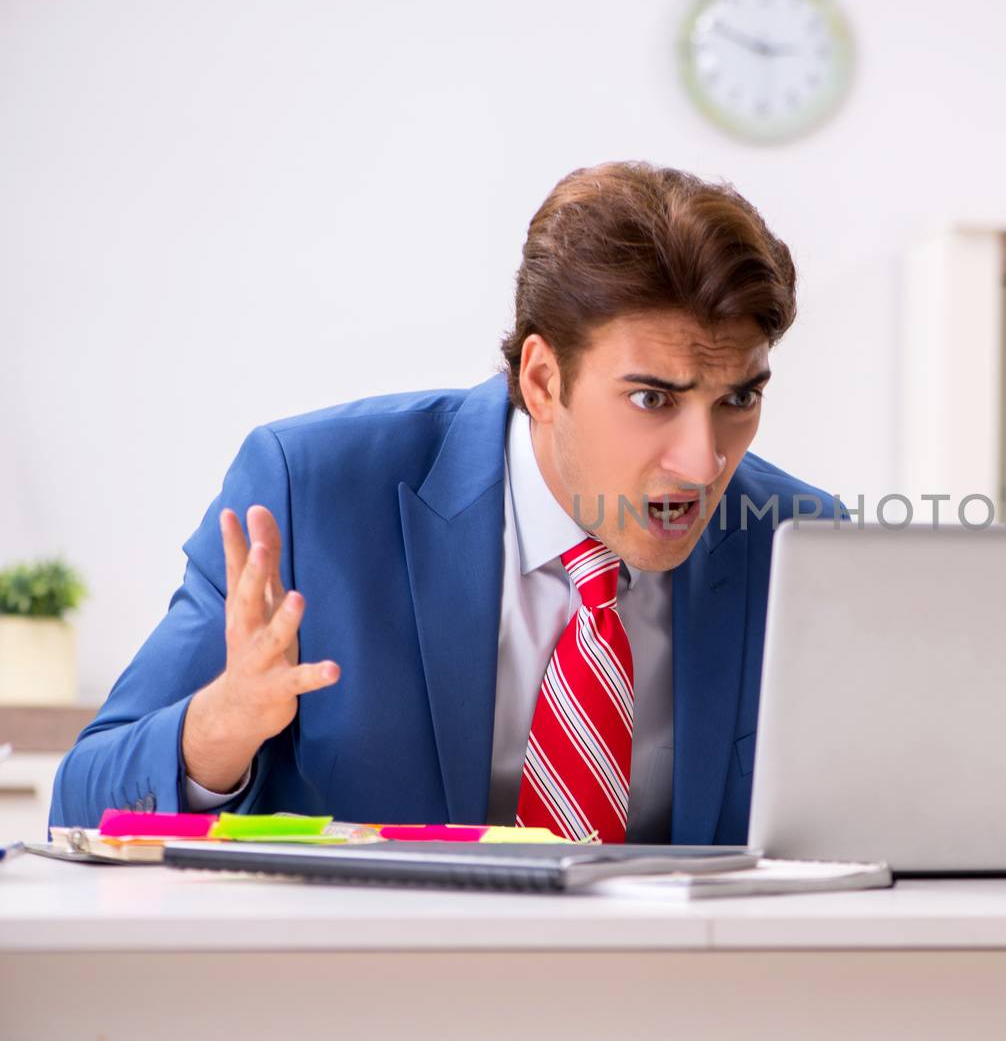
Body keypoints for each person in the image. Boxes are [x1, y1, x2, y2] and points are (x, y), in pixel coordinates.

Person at [49, 161, 837, 845]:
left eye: (738, 398)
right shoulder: (312, 492)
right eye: (652, 399)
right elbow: (81, 802)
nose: (704, 462)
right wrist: (218, 731)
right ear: (543, 379)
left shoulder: (807, 546)